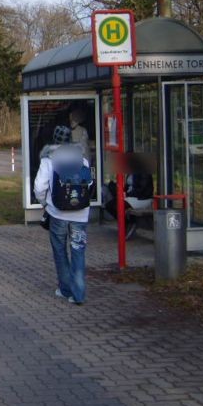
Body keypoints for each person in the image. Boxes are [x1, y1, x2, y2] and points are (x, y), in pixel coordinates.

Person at [34, 125, 91, 305]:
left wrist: (45, 203)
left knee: (60, 252)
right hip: (80, 215)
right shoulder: (82, 159)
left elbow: (39, 187)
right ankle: (79, 295)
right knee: (78, 251)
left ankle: (66, 290)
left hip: (57, 213)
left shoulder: (49, 159)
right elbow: (88, 184)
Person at [103, 157, 154, 239]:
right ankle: (127, 223)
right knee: (109, 205)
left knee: (118, 206)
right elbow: (127, 187)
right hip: (130, 197)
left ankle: (130, 223)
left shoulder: (143, 172)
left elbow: (142, 189)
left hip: (141, 198)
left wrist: (127, 194)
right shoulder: (130, 173)